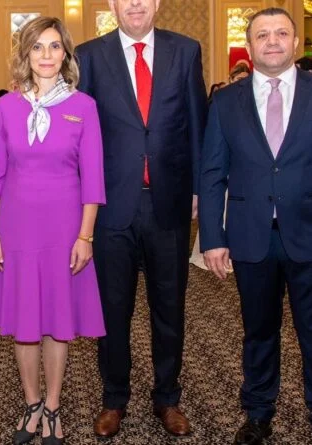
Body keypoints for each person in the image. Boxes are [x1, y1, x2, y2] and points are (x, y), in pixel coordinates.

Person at [199, 8, 312, 445]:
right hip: (251, 238)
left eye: (281, 33)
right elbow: (212, 174)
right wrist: (212, 238)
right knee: (258, 333)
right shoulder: (226, 101)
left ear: (295, 42)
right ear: (249, 46)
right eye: (262, 35)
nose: (272, 41)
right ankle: (257, 413)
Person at [75, 0, 207, 439]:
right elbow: (81, 132)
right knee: (113, 310)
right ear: (113, 4)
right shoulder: (90, 55)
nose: (135, 3)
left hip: (169, 203)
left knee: (169, 308)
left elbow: (197, 123)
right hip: (110, 206)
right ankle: (114, 398)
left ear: (157, 4)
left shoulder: (185, 50)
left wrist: (198, 189)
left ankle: (167, 397)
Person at [0, 16, 106, 445]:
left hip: (65, 229)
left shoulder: (84, 106)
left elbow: (93, 178)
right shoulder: (6, 108)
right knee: (24, 320)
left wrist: (85, 236)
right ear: (25, 54)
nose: (46, 55)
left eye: (54, 46)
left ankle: (53, 404)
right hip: (15, 229)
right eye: (37, 47)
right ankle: (32, 402)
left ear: (66, 54)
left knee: (57, 319)